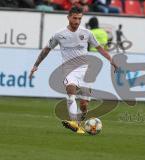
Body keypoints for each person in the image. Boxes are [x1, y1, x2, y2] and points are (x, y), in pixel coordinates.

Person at [29, 6, 117, 134]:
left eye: (79, 19)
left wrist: (112, 60)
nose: (76, 21)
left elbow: (99, 48)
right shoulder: (59, 35)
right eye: (74, 18)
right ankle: (74, 123)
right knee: (70, 90)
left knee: (84, 104)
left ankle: (80, 121)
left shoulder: (87, 33)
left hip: (86, 71)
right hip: (69, 70)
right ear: (68, 17)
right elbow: (46, 49)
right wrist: (36, 65)